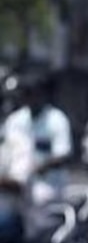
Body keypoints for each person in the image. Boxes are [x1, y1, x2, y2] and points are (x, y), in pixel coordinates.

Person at [1, 73, 72, 206]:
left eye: (33, 94)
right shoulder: (15, 120)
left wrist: (40, 167)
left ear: (42, 94)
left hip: (48, 186)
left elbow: (64, 155)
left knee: (39, 199)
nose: (30, 98)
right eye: (26, 94)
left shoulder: (57, 120)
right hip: (16, 186)